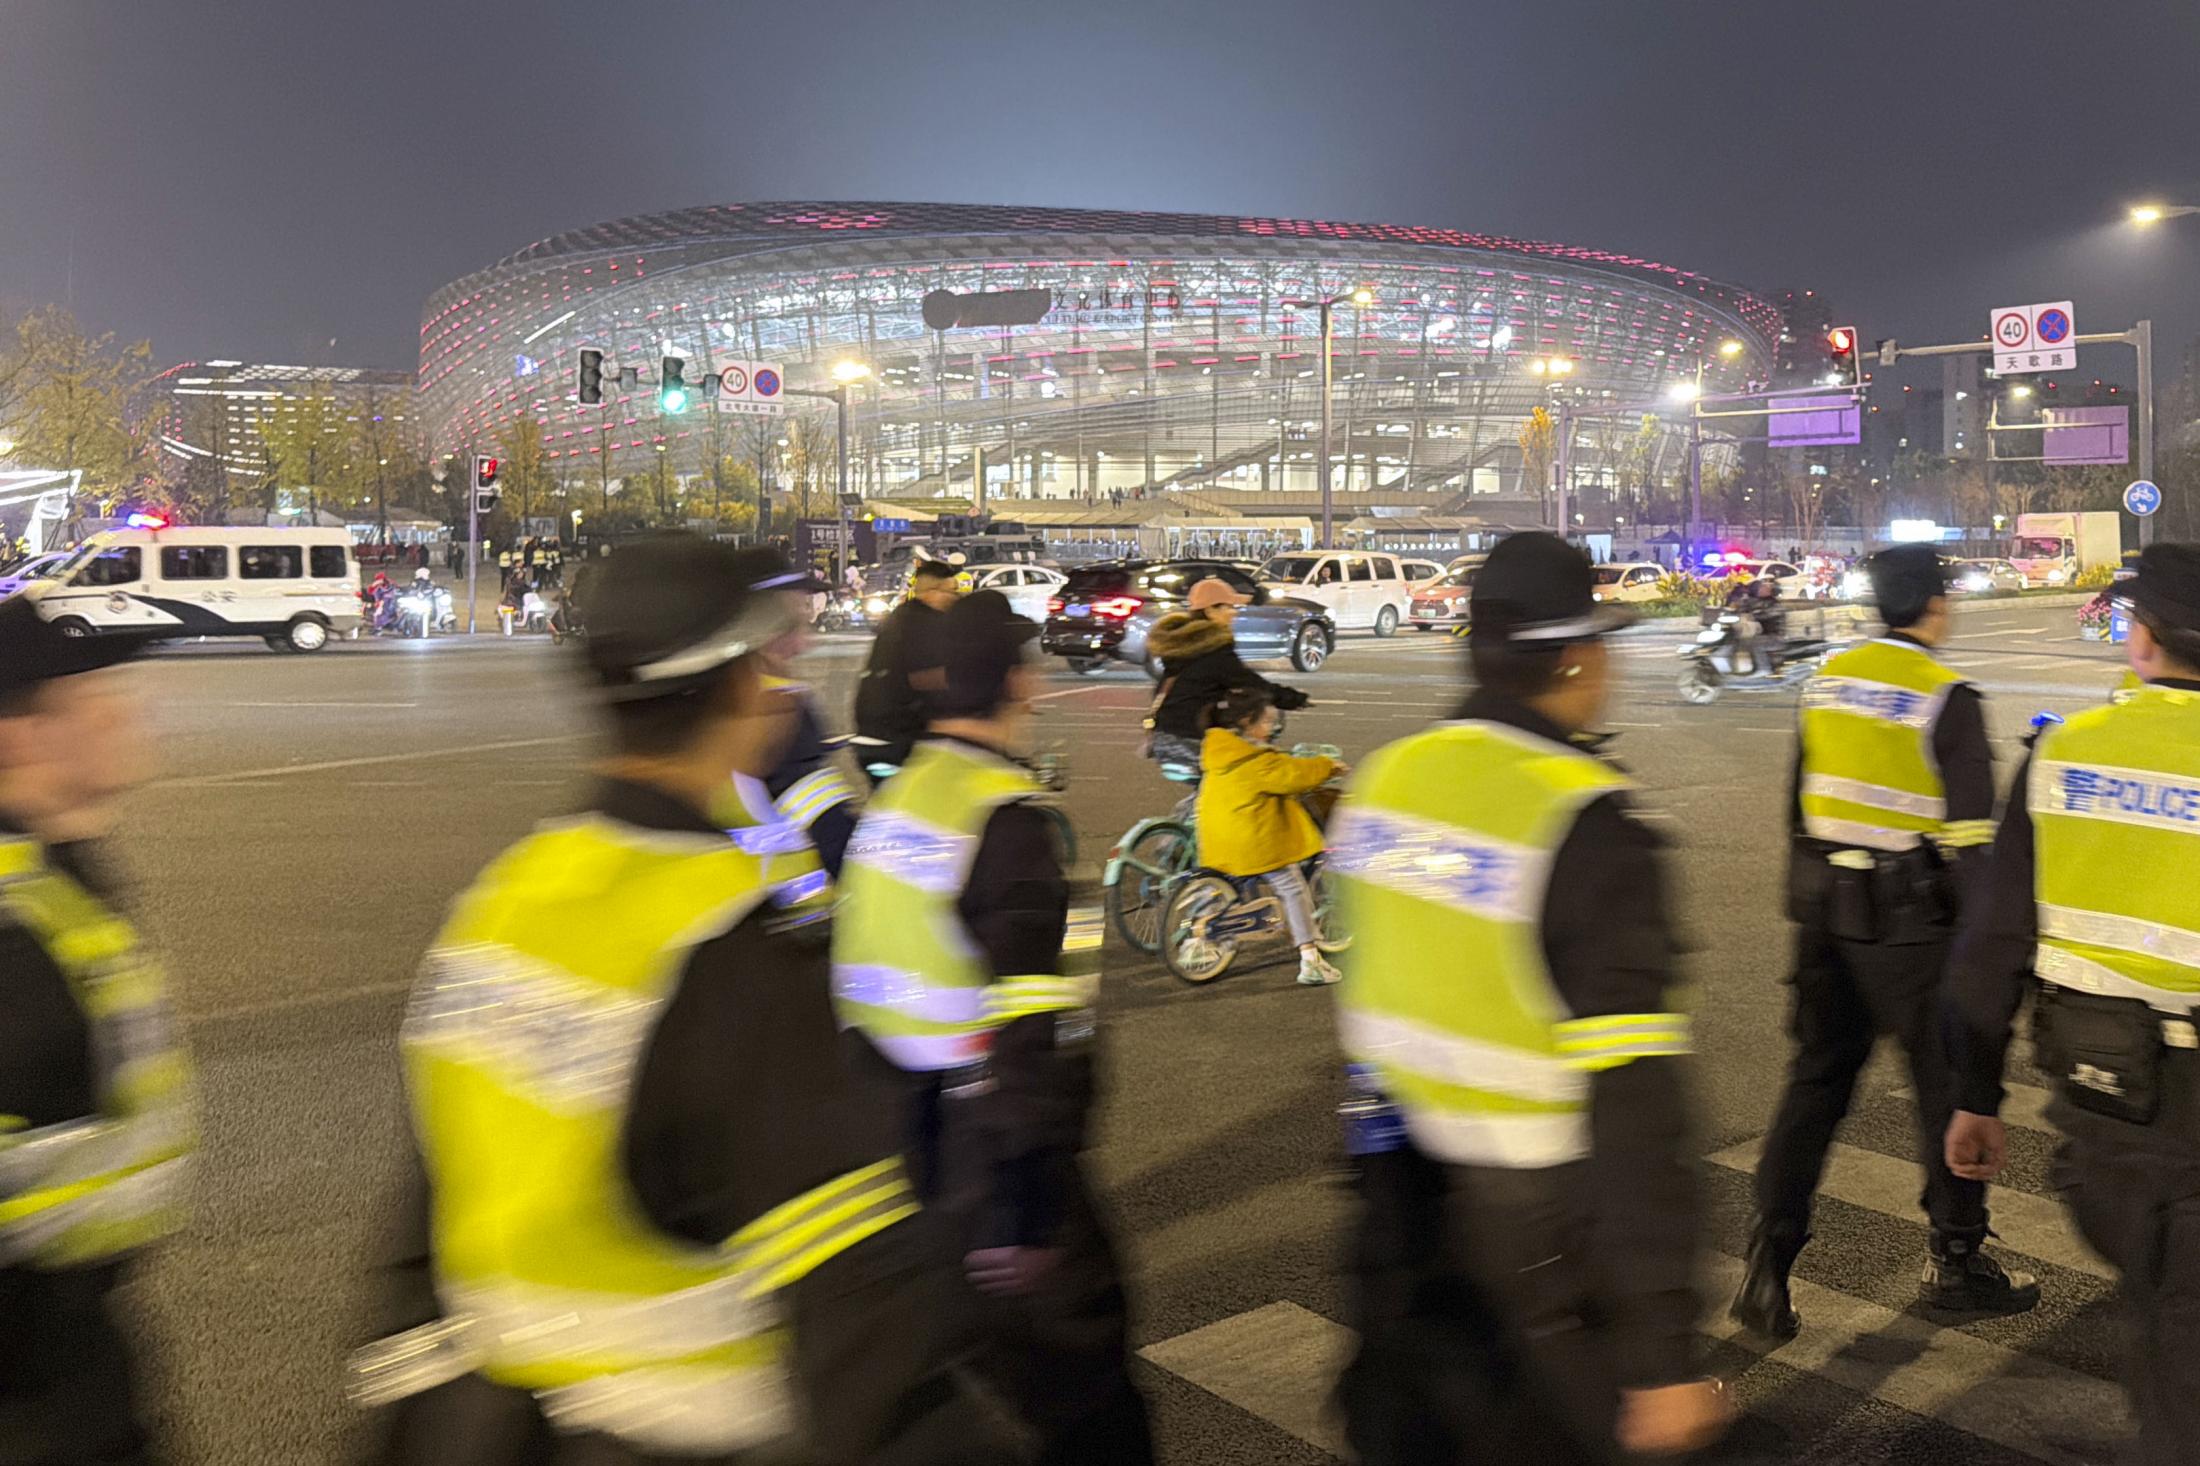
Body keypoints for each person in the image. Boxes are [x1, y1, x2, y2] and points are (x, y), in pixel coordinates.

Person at [352, 536, 1014, 1466]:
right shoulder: (729, 950)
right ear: (744, 686)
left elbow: (425, 1232)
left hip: (507, 1431)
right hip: (692, 1433)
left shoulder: (505, 902)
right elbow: (862, 1315)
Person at [1329, 531, 1727, 1464]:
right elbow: (1634, 1099)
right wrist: (1663, 1348)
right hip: (1549, 1247)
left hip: (1404, 1219)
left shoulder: (1386, 780)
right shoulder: (1584, 819)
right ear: (1576, 658)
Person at [834, 590, 1156, 1466]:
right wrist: (1026, 1208)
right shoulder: (1006, 819)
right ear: (1020, 682)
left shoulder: (900, 800)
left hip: (897, 1140)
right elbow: (1029, 1022)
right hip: (988, 1152)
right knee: (1083, 1391)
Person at [1730, 544, 2036, 1340]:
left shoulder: (1827, 680)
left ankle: (1767, 1266)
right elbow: (1972, 846)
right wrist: (1988, 950)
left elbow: (1798, 806)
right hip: (1914, 929)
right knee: (1945, 1087)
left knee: (1815, 1085)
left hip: (1827, 919)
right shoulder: (1946, 697)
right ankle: (1956, 1258)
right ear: (1936, 604)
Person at [1945, 544, 2200, 1466]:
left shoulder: (2061, 753)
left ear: (2143, 641)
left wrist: (1974, 1098)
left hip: (2105, 1104)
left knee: (2163, 1311)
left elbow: (1992, 945)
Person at [0, 596, 192, 1466]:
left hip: (73, 1352)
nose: (128, 711)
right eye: (91, 698)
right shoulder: (13, 935)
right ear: (20, 738)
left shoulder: (53, 876)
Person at [720, 548, 861, 878]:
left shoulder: (702, 705)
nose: (804, 644)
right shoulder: (776, 709)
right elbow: (833, 838)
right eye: (791, 626)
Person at [1195, 684, 1347, 986]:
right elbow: (1293, 775)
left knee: (1217, 887)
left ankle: (1196, 941)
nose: (1271, 728)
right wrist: (1328, 766)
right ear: (1247, 722)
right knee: (1292, 886)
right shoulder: (1256, 760)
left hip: (1215, 836)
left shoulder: (1219, 750)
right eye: (1266, 722)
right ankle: (1310, 959)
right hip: (1252, 841)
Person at [1145, 577, 1309, 770]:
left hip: (1163, 738)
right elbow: (1249, 682)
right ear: (1210, 611)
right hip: (1190, 741)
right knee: (1253, 771)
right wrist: (1291, 698)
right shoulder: (1213, 650)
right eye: (1229, 607)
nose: (1234, 613)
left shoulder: (1185, 644)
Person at [851, 559, 961, 783]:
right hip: (897, 741)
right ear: (933, 591)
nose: (954, 598)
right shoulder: (928, 624)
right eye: (951, 592)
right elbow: (931, 681)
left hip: (871, 734)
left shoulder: (901, 616)